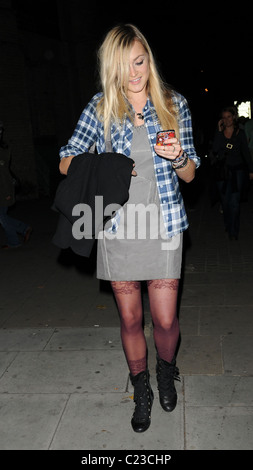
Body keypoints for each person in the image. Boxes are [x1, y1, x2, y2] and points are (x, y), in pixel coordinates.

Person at [59, 24, 200, 433]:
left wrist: (177, 157)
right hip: (119, 228)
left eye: (139, 61)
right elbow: (67, 159)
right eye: (124, 66)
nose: (134, 72)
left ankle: (165, 369)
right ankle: (142, 388)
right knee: (131, 319)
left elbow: (190, 175)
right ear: (111, 69)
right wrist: (109, 164)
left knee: (167, 320)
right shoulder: (101, 108)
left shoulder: (174, 104)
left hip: (164, 224)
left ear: (148, 58)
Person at [212, 107, 253, 240]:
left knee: (235, 203)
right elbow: (215, 149)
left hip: (237, 172)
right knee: (225, 202)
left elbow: (246, 152)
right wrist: (219, 132)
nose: (227, 120)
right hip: (222, 173)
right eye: (224, 117)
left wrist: (251, 169)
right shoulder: (219, 133)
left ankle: (233, 231)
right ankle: (228, 223)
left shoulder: (240, 133)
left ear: (233, 117)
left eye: (229, 116)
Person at [0, 122, 32, 249]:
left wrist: (8, 192)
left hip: (3, 189)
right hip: (3, 188)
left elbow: (4, 174)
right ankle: (13, 241)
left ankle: (24, 228)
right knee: (3, 217)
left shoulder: (3, 151)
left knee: (2, 217)